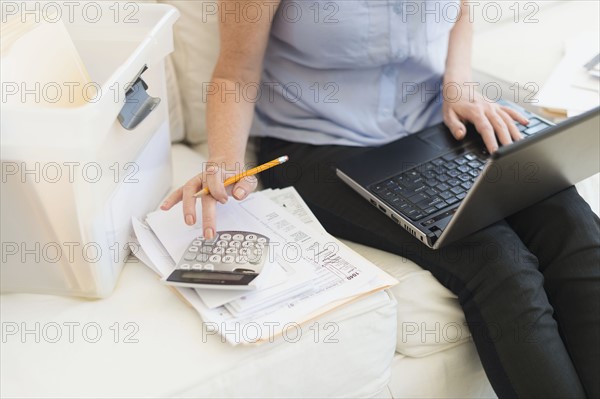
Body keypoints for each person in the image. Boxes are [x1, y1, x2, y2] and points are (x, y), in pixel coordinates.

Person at [161, 1, 600, 397]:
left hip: (435, 120)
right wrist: (223, 161)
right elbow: (235, 72)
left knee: (574, 227)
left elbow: (460, 8)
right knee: (495, 259)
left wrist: (459, 82)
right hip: (319, 144)